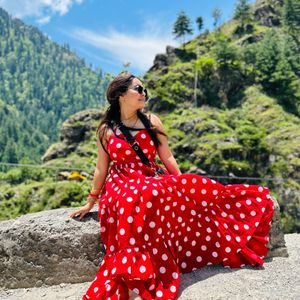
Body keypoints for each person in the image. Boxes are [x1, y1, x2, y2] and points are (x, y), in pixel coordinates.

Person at [69, 72, 275, 300]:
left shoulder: (152, 121)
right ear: (120, 94)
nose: (143, 93)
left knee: (157, 190)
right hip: (122, 182)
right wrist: (91, 200)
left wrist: (183, 183)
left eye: (144, 89)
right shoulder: (106, 131)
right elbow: (101, 168)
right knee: (139, 196)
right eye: (138, 89)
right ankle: (134, 266)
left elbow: (166, 157)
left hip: (151, 176)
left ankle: (147, 264)